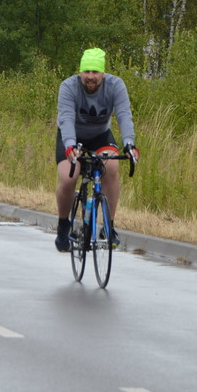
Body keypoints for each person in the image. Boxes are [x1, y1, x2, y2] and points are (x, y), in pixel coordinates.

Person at [54, 47, 139, 252]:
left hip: (101, 135)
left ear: (103, 73)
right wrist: (70, 147)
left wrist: (129, 143)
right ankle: (64, 224)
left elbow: (124, 115)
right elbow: (65, 119)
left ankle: (108, 226)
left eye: (95, 72)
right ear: (80, 72)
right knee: (68, 178)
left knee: (111, 168)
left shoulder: (116, 85)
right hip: (72, 136)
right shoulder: (68, 86)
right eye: (86, 72)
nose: (90, 77)